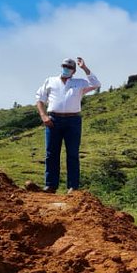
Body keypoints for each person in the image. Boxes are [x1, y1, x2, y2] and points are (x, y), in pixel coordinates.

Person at [34, 56, 101, 193]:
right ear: (61, 67)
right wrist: (43, 116)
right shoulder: (50, 81)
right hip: (53, 120)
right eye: (65, 66)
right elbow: (40, 99)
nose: (66, 69)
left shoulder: (80, 83)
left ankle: (73, 187)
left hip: (73, 120)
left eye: (70, 67)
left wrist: (84, 68)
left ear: (74, 71)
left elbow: (96, 84)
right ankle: (50, 185)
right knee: (51, 153)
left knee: (72, 153)